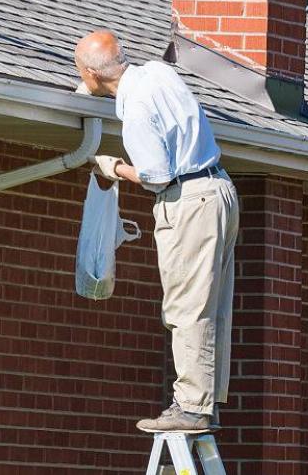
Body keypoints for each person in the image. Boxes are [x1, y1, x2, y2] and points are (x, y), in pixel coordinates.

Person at [74, 30, 239, 433]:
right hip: (219, 190)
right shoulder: (157, 74)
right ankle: (205, 402)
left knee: (186, 306)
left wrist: (113, 167)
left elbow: (155, 176)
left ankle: (191, 406)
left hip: (188, 200)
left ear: (93, 75)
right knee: (211, 305)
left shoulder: (137, 110)